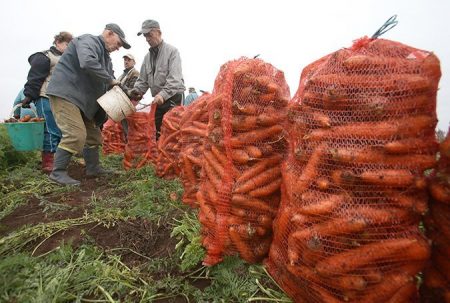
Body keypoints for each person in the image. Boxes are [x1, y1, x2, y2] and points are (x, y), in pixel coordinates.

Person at [46, 23, 131, 185]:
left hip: (83, 101)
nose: (118, 48)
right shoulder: (88, 41)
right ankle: (57, 172)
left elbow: (112, 80)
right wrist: (110, 80)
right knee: (75, 134)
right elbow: (87, 62)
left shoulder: (106, 58)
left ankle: (93, 168)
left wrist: (127, 90)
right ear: (109, 33)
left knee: (93, 136)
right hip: (67, 94)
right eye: (119, 43)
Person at [20, 31, 73, 173]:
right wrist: (29, 95)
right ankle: (48, 163)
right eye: (67, 44)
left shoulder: (67, 59)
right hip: (45, 97)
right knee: (50, 129)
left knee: (61, 129)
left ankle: (58, 159)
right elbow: (35, 77)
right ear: (58, 42)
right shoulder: (45, 56)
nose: (69, 48)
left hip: (61, 99)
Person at [129, 19, 185, 140]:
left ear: (158, 32)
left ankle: (173, 157)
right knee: (158, 130)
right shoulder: (147, 58)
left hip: (173, 96)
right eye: (145, 36)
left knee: (172, 131)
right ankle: (160, 156)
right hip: (158, 100)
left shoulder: (172, 52)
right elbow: (142, 81)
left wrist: (163, 95)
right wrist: (136, 92)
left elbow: (175, 79)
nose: (147, 38)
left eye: (149, 34)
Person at [117, 53, 140, 139]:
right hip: (121, 103)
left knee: (129, 128)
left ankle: (131, 145)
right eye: (125, 60)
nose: (126, 62)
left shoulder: (135, 73)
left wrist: (119, 86)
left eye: (129, 60)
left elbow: (132, 90)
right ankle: (128, 145)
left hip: (128, 103)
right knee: (124, 126)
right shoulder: (122, 75)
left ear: (134, 62)